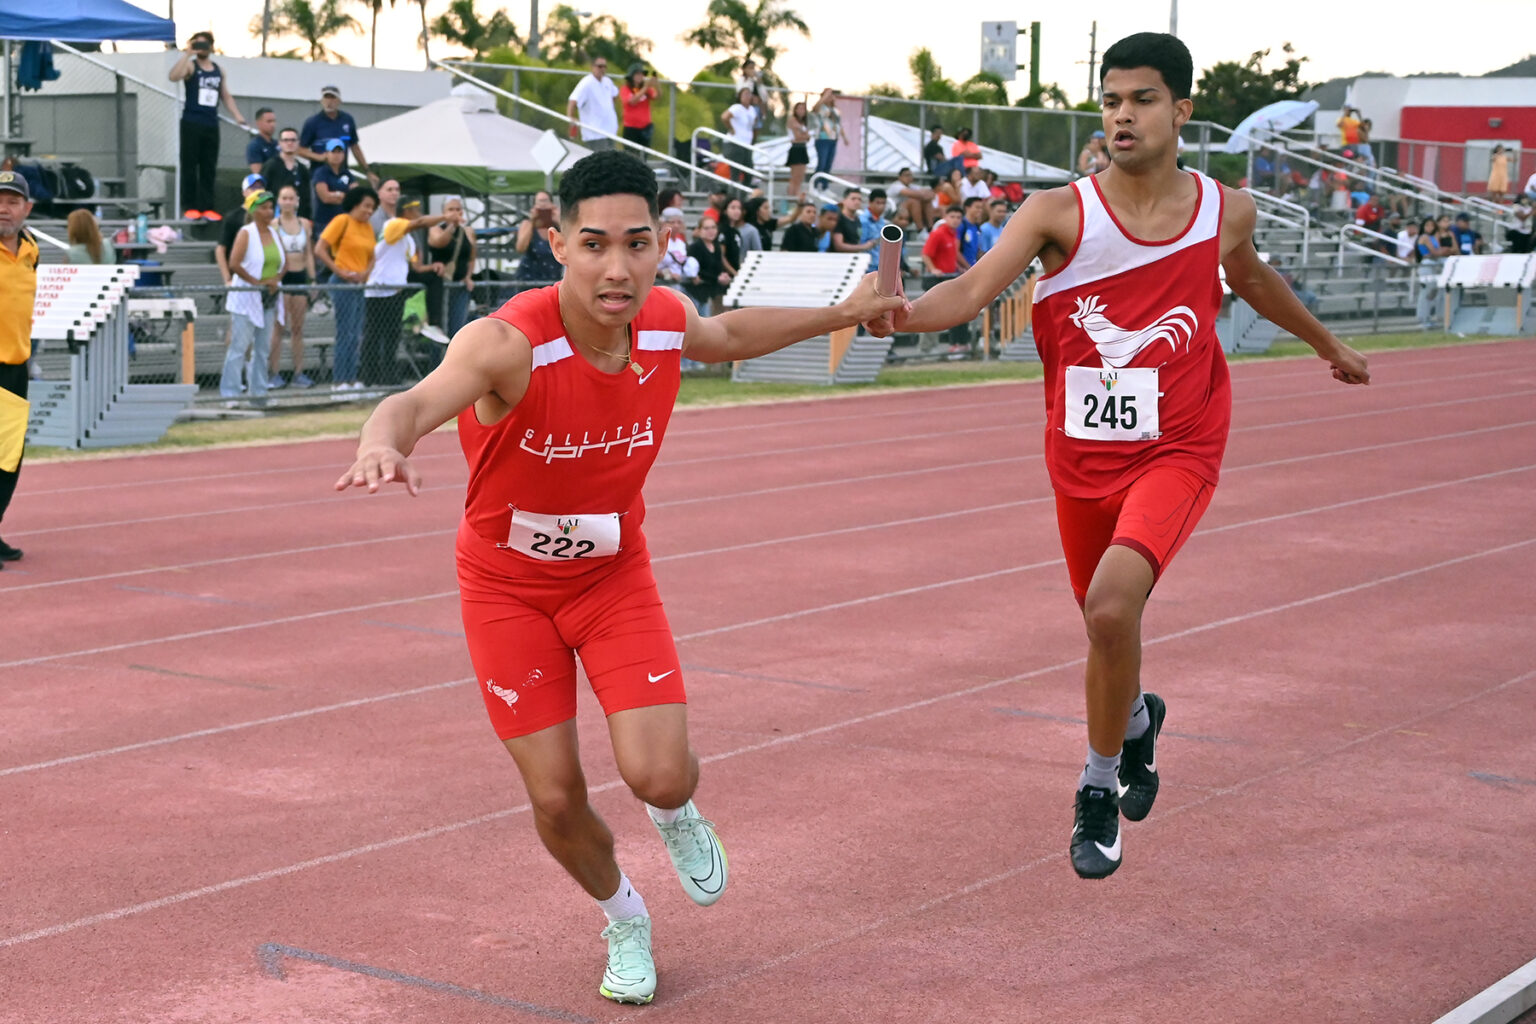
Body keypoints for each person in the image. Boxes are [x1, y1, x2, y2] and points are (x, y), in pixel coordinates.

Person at [333, 149, 899, 1006]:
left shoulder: (667, 318)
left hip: (611, 576)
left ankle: (675, 817)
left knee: (660, 775)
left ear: (662, 244)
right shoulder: (506, 344)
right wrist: (383, 441)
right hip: (506, 589)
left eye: (638, 244)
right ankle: (624, 917)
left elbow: (731, 333)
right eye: (594, 244)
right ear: (556, 241)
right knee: (557, 798)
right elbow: (416, 401)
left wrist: (844, 312)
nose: (617, 267)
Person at [865, 31, 1369, 881]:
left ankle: (1098, 787)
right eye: (1109, 100)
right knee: (1105, 626)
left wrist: (1327, 343)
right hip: (1080, 453)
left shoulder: (1224, 211)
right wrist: (906, 313)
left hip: (1181, 443)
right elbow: (970, 290)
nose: (1121, 115)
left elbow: (1251, 280)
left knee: (1109, 608)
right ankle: (1136, 718)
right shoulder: (1057, 212)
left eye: (1140, 99)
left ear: (1181, 109)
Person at [0, 169, 38, 567]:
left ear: (27, 208)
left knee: (8, 458)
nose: (3, 209)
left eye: (12, 201)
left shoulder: (31, 250)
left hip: (15, 366)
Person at [168, 31, 246, 220]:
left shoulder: (219, 70)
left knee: (208, 166)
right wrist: (187, 53)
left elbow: (225, 95)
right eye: (198, 45)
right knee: (190, 165)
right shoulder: (190, 66)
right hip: (192, 122)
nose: (201, 48)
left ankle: (207, 206)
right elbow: (173, 77)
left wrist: (237, 115)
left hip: (211, 124)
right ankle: (190, 205)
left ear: (211, 47)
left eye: (204, 45)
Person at [220, 191, 282, 406]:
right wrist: (256, 283)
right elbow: (234, 263)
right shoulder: (246, 232)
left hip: (269, 298)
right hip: (247, 298)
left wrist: (275, 280)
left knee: (263, 349)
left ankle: (259, 394)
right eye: (263, 207)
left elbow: (283, 263)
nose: (268, 211)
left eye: (271, 207)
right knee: (239, 347)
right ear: (254, 210)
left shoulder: (275, 233)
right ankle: (230, 394)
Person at [315, 184, 379, 392]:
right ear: (355, 204)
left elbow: (372, 255)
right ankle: (339, 381)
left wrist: (365, 274)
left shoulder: (368, 227)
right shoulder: (342, 221)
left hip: (359, 284)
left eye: (372, 208)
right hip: (343, 282)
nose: (369, 211)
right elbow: (320, 249)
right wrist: (339, 270)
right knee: (345, 332)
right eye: (366, 206)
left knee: (355, 332)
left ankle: (351, 379)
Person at [363, 211, 433, 387]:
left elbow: (415, 264)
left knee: (392, 335)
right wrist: (445, 218)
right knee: (373, 334)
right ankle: (369, 377)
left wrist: (432, 266)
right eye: (411, 209)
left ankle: (388, 376)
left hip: (396, 292)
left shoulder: (409, 239)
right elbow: (422, 221)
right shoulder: (392, 225)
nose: (415, 214)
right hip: (378, 290)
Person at [267, 184, 315, 389]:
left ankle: (299, 372)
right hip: (282, 279)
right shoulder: (274, 225)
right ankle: (274, 372)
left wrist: (312, 280)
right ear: (279, 201)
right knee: (279, 328)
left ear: (297, 201)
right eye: (284, 198)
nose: (287, 202)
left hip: (299, 277)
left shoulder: (304, 224)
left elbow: (309, 253)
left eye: (291, 198)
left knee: (297, 329)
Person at [427, 196, 479, 343]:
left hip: (459, 288)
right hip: (440, 287)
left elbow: (471, 257)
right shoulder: (436, 229)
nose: (455, 213)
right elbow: (439, 243)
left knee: (457, 328)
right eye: (451, 210)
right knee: (439, 330)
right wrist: (451, 226)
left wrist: (468, 276)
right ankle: (437, 361)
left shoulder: (468, 232)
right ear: (444, 212)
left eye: (458, 209)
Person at [299, 85, 376, 183]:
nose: (329, 102)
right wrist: (320, 157)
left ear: (339, 101)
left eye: (332, 98)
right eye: (326, 98)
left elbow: (354, 146)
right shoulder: (313, 122)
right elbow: (300, 150)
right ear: (321, 101)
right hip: (319, 175)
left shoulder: (347, 120)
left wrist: (367, 170)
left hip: (342, 173)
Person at [567, 57, 620, 151]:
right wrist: (571, 117)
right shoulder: (586, 83)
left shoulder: (607, 81)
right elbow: (573, 100)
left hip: (610, 131)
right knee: (601, 161)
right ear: (592, 67)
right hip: (595, 133)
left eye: (604, 66)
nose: (602, 69)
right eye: (600, 66)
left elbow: (614, 94)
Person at [261, 126, 312, 221]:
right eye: (285, 140)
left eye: (293, 140)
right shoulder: (271, 166)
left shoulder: (302, 169)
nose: (289, 143)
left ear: (298, 143)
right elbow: (262, 192)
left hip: (298, 220)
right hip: (274, 219)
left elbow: (306, 198)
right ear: (280, 143)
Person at [684, 216, 734, 314]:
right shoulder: (695, 247)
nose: (711, 231)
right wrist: (717, 278)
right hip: (695, 293)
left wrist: (723, 275)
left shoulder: (716, 247)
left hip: (709, 292)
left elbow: (717, 268)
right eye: (706, 228)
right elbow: (696, 272)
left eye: (713, 227)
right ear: (699, 230)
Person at [515, 190, 564, 285]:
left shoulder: (558, 227)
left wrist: (559, 221)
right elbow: (520, 248)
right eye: (539, 202)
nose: (543, 205)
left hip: (552, 280)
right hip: (528, 281)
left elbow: (571, 244)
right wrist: (532, 220)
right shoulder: (528, 224)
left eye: (545, 201)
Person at [309, 139, 354, 242]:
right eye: (333, 152)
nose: (336, 155)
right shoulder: (321, 173)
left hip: (344, 221)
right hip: (324, 222)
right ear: (327, 154)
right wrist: (343, 195)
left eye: (340, 152)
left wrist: (338, 195)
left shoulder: (347, 174)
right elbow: (325, 197)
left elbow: (355, 196)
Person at [720, 88, 759, 188]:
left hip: (746, 145)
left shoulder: (752, 109)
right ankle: (732, 197)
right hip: (735, 144)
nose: (747, 96)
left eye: (749, 94)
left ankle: (742, 197)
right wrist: (731, 128)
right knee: (735, 173)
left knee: (749, 171)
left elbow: (753, 124)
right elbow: (724, 117)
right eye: (745, 94)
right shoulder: (737, 107)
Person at [619, 65, 658, 151]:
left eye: (642, 74)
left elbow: (656, 96)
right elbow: (632, 101)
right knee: (630, 153)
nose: (640, 76)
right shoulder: (626, 89)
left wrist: (656, 85)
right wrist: (646, 88)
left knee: (644, 153)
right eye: (637, 74)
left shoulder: (646, 89)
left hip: (645, 128)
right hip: (631, 128)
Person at [809, 88, 847, 176]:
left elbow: (838, 123)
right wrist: (825, 95)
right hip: (822, 138)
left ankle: (824, 186)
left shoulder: (835, 109)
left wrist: (844, 137)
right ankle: (815, 184)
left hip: (833, 139)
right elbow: (815, 108)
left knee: (828, 164)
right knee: (822, 163)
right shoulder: (821, 108)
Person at [921, 205, 964, 279]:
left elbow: (950, 255)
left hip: (949, 276)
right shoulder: (938, 233)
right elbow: (925, 254)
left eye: (958, 217)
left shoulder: (954, 233)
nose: (955, 220)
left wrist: (959, 268)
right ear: (945, 217)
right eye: (952, 217)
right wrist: (933, 269)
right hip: (938, 278)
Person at [859, 189, 889, 273]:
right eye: (878, 203)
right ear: (870, 202)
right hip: (867, 265)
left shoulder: (882, 221)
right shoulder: (863, 221)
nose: (881, 206)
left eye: (883, 203)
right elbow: (861, 244)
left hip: (879, 264)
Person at [785, 101, 811, 197]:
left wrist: (803, 133)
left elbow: (808, 137)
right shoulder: (792, 120)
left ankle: (797, 194)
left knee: (800, 176)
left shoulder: (803, 122)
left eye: (803, 109)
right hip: (796, 148)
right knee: (795, 176)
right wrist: (804, 134)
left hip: (803, 148)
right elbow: (797, 137)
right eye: (799, 108)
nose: (801, 111)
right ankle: (791, 195)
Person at [246, 107, 279, 173]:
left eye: (274, 121)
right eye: (269, 121)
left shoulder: (277, 144)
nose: (272, 125)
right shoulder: (254, 146)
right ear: (258, 123)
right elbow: (258, 173)